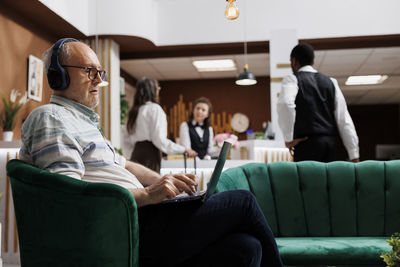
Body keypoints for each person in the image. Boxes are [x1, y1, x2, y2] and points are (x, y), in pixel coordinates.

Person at [19, 38, 283, 267]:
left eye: (100, 71)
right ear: (58, 75)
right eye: (89, 71)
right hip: (127, 229)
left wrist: (160, 182)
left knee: (247, 248)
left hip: (144, 217)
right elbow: (69, 197)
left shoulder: (83, 122)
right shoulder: (52, 118)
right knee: (244, 202)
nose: (99, 79)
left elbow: (125, 164)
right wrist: (147, 194)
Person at [277, 43, 360, 162]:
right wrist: (354, 154)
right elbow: (344, 120)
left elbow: (285, 103)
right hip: (329, 144)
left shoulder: (293, 79)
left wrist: (288, 138)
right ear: (313, 61)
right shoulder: (331, 82)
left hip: (306, 144)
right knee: (327, 180)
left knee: (307, 180)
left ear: (294, 61)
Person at [124, 77, 197, 173]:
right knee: (151, 186)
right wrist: (183, 149)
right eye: (158, 89)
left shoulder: (134, 112)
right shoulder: (155, 109)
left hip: (135, 156)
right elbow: (159, 140)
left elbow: (126, 141)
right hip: (150, 156)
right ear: (153, 91)